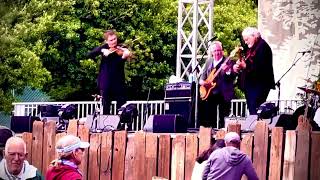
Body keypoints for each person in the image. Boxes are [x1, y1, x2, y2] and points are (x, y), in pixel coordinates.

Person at [88, 29, 132, 115]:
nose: (113, 42)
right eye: (111, 40)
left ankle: (121, 125)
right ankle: (106, 126)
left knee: (121, 105)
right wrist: (102, 50)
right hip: (106, 81)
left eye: (115, 39)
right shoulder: (104, 47)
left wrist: (124, 57)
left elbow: (117, 64)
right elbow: (90, 54)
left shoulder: (121, 48)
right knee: (106, 105)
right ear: (106, 41)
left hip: (118, 81)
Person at [233, 27, 275, 115]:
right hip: (251, 86)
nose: (245, 42)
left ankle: (258, 127)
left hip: (259, 85)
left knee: (256, 110)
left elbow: (260, 68)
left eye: (247, 39)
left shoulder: (263, 47)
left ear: (254, 36)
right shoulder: (251, 48)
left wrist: (245, 66)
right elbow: (248, 63)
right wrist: (238, 66)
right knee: (253, 111)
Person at [199, 41, 236, 128]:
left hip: (224, 93)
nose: (217, 52)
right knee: (210, 115)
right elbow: (202, 76)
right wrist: (202, 82)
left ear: (222, 51)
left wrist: (227, 71)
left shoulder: (228, 61)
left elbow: (232, 77)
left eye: (219, 50)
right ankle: (211, 132)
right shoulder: (209, 61)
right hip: (210, 93)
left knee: (223, 116)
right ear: (212, 52)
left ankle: (223, 133)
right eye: (215, 51)